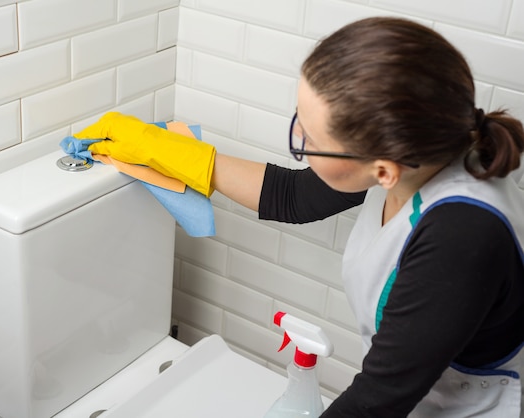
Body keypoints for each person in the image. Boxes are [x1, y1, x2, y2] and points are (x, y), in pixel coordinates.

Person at [72, 17, 524, 417]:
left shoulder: (462, 235)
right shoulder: (423, 152)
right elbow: (293, 196)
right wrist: (165, 151)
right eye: (300, 123)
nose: (302, 143)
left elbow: (377, 400)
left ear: (383, 169)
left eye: (310, 139)